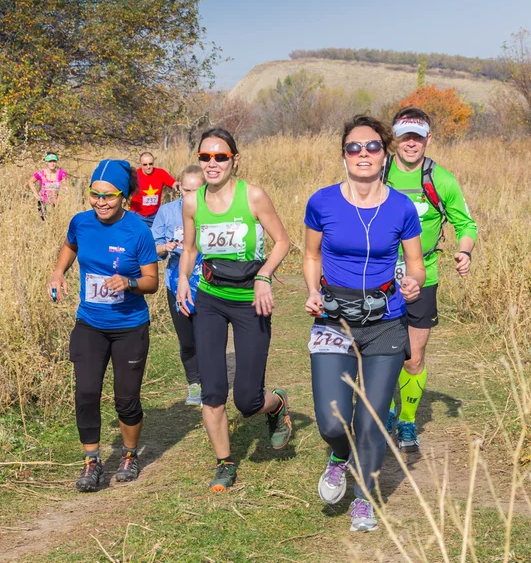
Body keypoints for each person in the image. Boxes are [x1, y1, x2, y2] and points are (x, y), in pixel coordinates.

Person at [303, 115, 425, 532]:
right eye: (354, 147)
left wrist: (413, 284)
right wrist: (312, 289)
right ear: (343, 155)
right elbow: (311, 255)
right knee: (331, 420)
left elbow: (416, 265)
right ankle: (340, 456)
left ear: (384, 153)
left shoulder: (401, 207)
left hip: (387, 320)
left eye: (372, 146)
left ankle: (364, 500)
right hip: (333, 318)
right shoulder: (322, 202)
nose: (363, 154)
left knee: (372, 418)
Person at [177, 128, 292, 492]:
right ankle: (225, 464)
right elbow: (191, 248)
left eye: (220, 157)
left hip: (249, 301)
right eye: (205, 157)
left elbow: (283, 241)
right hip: (210, 298)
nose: (212, 164)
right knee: (212, 390)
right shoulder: (192, 201)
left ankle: (276, 407)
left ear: (234, 160)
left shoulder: (254, 196)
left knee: (247, 399)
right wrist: (183, 278)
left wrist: (264, 276)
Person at [47, 159, 159, 492]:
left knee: (126, 399)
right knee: (85, 392)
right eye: (94, 194)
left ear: (124, 196)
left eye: (109, 196)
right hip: (90, 324)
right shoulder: (81, 223)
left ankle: (128, 454)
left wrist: (129, 282)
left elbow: (151, 281)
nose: (100, 202)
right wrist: (58, 272)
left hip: (129, 326)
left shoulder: (138, 230)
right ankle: (91, 461)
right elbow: (70, 245)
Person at [384, 107, 477, 452]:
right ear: (394, 137)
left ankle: (407, 420)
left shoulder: (442, 180)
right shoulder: (377, 174)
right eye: (405, 136)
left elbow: (466, 224)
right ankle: (387, 410)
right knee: (378, 351)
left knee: (413, 357)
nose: (411, 143)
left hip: (423, 274)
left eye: (418, 136)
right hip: (377, 274)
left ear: (428, 139)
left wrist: (464, 252)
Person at [152, 165, 205, 406]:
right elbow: (153, 248)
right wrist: (165, 248)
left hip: (208, 283)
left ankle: (212, 384)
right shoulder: (166, 212)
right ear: (178, 188)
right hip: (176, 283)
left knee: (207, 337)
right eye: (186, 189)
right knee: (187, 339)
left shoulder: (214, 209)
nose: (191, 195)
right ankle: (194, 384)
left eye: (197, 189)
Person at [129, 152, 176, 228]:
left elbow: (173, 183)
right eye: (145, 164)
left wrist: (181, 186)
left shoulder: (160, 173)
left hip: (155, 215)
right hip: (138, 214)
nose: (148, 167)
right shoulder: (134, 175)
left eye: (150, 164)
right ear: (141, 164)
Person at [29, 152, 67, 219]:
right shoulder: (40, 173)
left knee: (55, 221)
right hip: (43, 201)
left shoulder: (61, 173)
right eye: (50, 161)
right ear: (46, 162)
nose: (52, 163)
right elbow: (30, 182)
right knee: (44, 221)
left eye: (54, 161)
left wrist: (63, 195)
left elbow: (65, 186)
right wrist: (36, 195)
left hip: (55, 202)